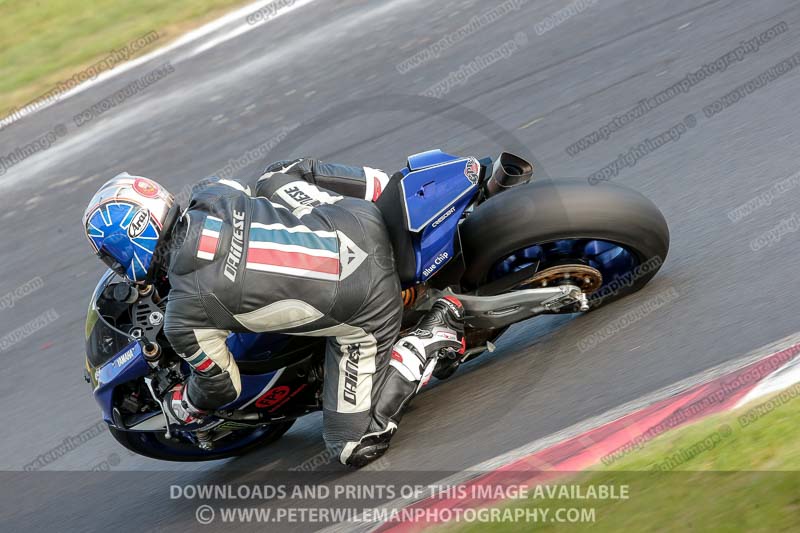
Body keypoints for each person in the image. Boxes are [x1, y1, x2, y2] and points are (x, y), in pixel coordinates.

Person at [81, 158, 465, 467]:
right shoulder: (210, 192)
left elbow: (222, 386)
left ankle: (431, 335)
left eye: (109, 255)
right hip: (358, 218)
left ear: (126, 248)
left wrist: (185, 404)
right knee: (276, 175)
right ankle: (389, 187)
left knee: (352, 445)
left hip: (369, 301)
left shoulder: (185, 317)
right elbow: (238, 198)